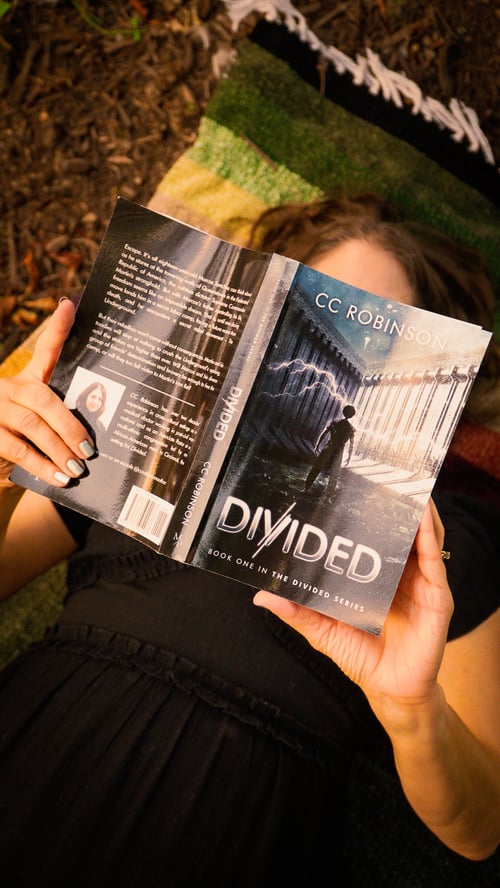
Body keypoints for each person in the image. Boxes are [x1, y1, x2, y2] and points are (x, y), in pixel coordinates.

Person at [0, 194, 498, 885]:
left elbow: (481, 831)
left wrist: (415, 711)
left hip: (244, 814)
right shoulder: (142, 429)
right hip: (49, 730)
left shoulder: (444, 544)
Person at [304, 404, 356, 494]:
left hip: (329, 448)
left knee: (316, 468)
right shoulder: (351, 429)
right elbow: (352, 444)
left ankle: (306, 488)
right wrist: (349, 457)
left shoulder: (335, 423)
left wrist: (317, 445)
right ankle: (328, 495)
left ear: (343, 412)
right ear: (352, 415)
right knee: (334, 475)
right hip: (339, 451)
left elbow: (324, 433)